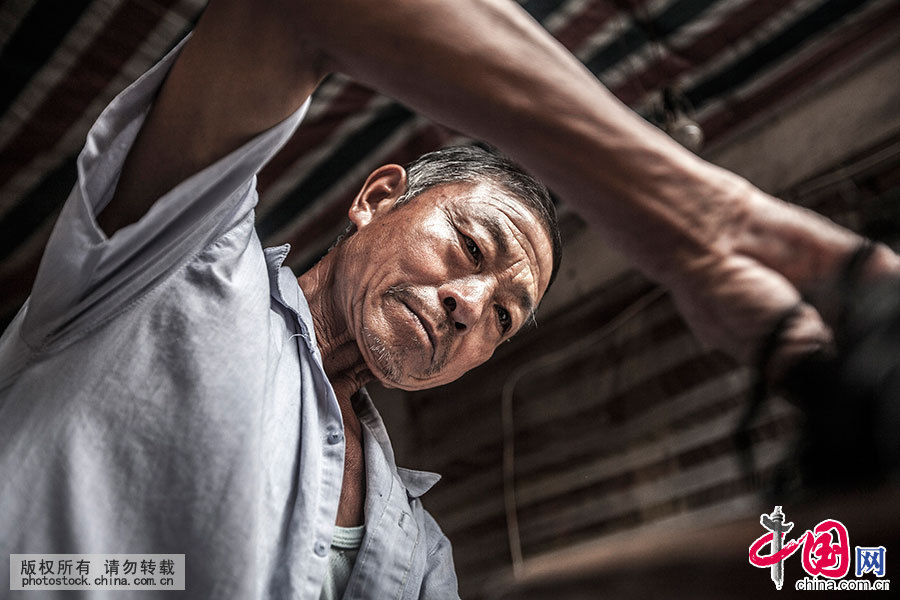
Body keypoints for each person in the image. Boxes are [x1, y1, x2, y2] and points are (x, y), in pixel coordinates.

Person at [1, 0, 897, 598]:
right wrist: (699, 221)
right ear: (375, 197)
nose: (473, 306)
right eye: (472, 249)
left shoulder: (421, 551)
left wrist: (850, 559)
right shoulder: (180, 259)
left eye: (504, 318)